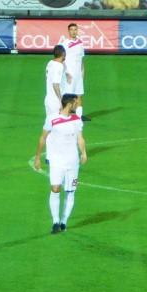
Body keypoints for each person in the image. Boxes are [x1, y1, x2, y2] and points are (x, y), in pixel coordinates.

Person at [33, 94, 87, 234]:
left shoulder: (77, 119)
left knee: (70, 191)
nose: (77, 105)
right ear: (69, 104)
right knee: (55, 188)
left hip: (73, 162)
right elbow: (43, 138)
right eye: (75, 103)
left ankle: (64, 222)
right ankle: (55, 221)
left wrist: (84, 153)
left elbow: (80, 138)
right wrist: (38, 157)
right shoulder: (52, 119)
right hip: (57, 161)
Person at [62, 23, 91, 121]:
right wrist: (66, 73)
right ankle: (66, 115)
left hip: (78, 74)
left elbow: (81, 59)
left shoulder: (80, 43)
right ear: (68, 31)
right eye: (72, 30)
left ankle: (79, 116)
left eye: (75, 29)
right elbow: (62, 59)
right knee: (69, 96)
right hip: (69, 74)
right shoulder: (65, 44)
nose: (74, 31)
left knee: (79, 95)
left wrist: (83, 72)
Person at [44, 45, 66, 123]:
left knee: (49, 127)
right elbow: (55, 85)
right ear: (63, 54)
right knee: (58, 127)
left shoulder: (50, 63)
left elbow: (47, 78)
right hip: (55, 102)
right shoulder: (59, 66)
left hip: (48, 99)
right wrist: (61, 101)